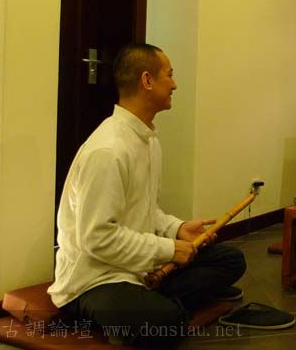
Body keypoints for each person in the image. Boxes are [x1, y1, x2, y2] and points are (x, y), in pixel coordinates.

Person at [48, 43, 246, 346]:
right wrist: (168, 250)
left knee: (231, 260)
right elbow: (97, 238)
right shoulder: (108, 151)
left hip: (138, 267)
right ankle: (147, 309)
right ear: (147, 80)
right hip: (95, 279)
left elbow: (145, 210)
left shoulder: (148, 139)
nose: (175, 85)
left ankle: (148, 303)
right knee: (166, 322)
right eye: (170, 74)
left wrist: (177, 229)